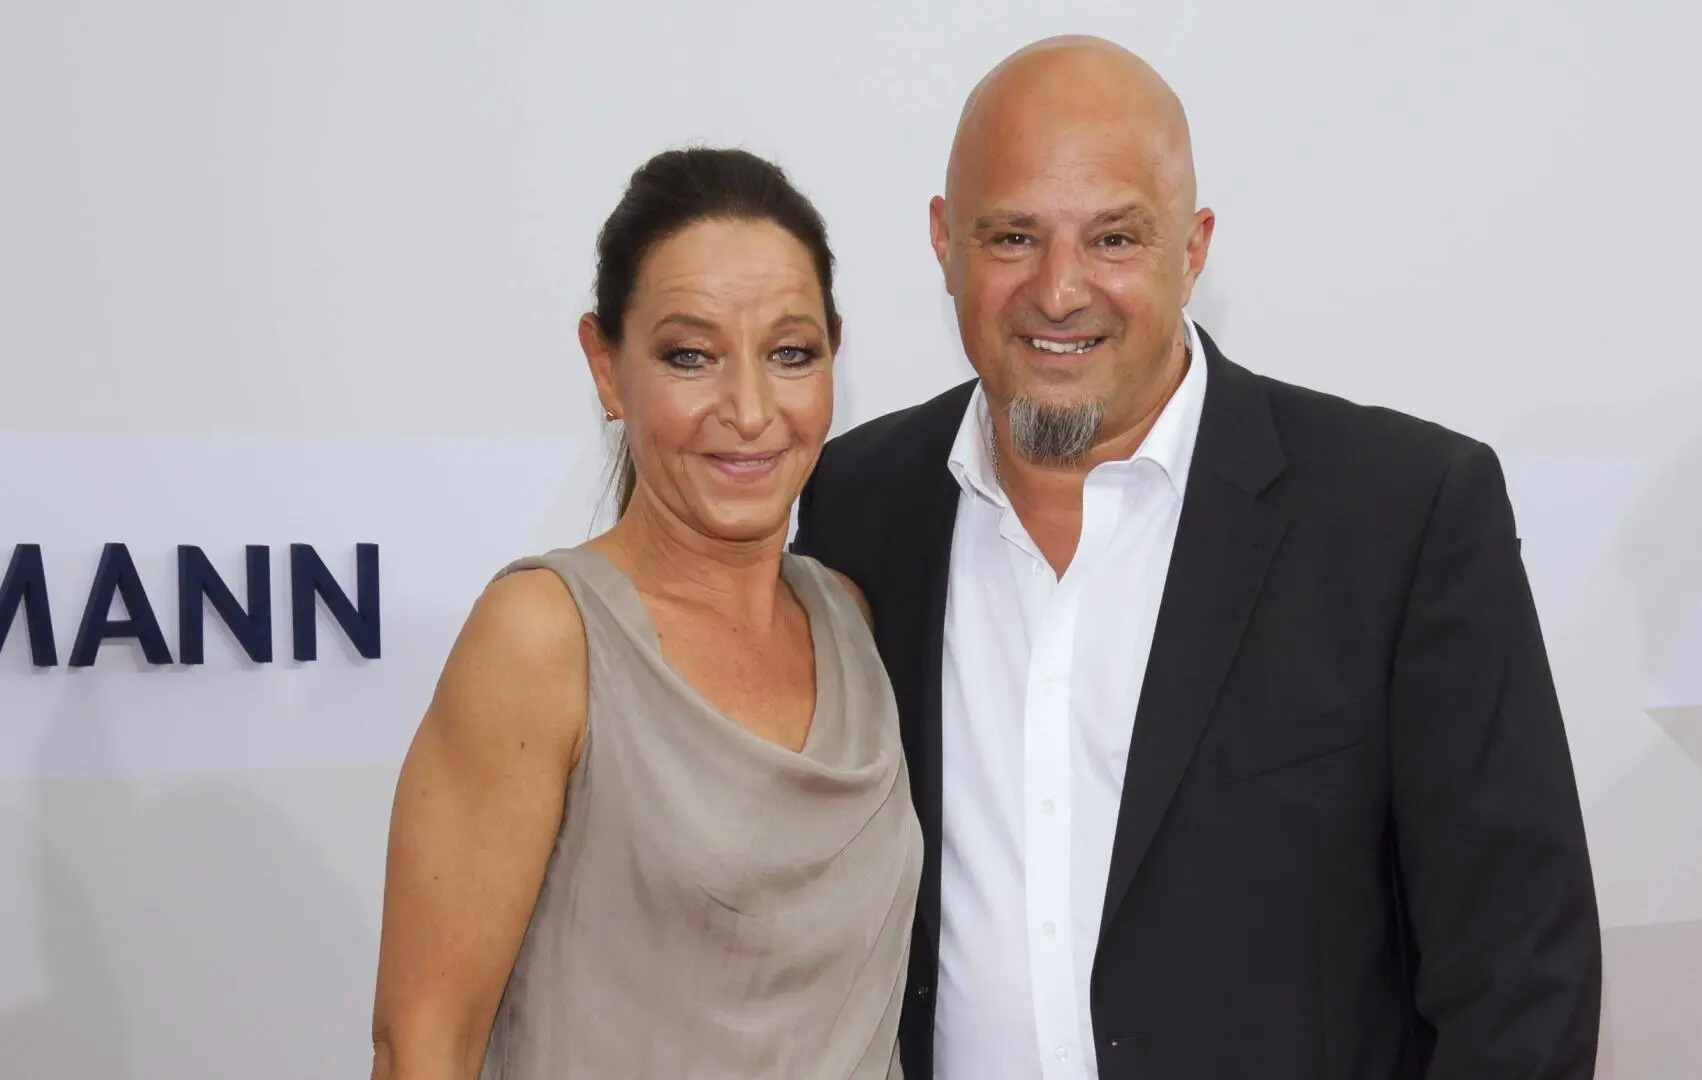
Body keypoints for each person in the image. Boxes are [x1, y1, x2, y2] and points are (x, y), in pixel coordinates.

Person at [794, 36, 1602, 1080]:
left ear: (1194, 248)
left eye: (1114, 238)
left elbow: (1521, 979)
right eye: (1013, 237)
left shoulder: (1402, 517)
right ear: (945, 242)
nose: (1059, 289)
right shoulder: (856, 503)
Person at [370, 148, 921, 1080]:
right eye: (690, 356)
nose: (749, 410)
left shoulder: (852, 620)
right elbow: (423, 1046)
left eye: (791, 354)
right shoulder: (545, 639)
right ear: (606, 366)